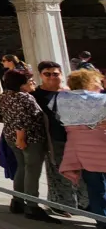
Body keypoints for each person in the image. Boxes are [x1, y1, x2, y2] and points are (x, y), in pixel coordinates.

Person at [0, 69, 61, 223]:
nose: (33, 83)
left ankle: (17, 201)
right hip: (29, 139)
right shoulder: (24, 98)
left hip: (11, 137)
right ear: (22, 83)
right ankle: (32, 206)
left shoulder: (4, 96)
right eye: (30, 80)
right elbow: (21, 120)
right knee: (32, 170)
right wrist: (20, 137)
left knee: (22, 167)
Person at [57, 69, 106, 229]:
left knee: (95, 187)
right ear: (90, 82)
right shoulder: (101, 99)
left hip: (79, 148)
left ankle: (102, 223)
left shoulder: (62, 99)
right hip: (101, 143)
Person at [32, 61, 80, 217]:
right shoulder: (36, 95)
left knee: (76, 172)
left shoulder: (69, 92)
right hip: (53, 138)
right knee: (57, 172)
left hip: (74, 138)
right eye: (47, 74)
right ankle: (57, 204)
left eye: (55, 74)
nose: (52, 77)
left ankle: (77, 203)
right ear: (41, 75)